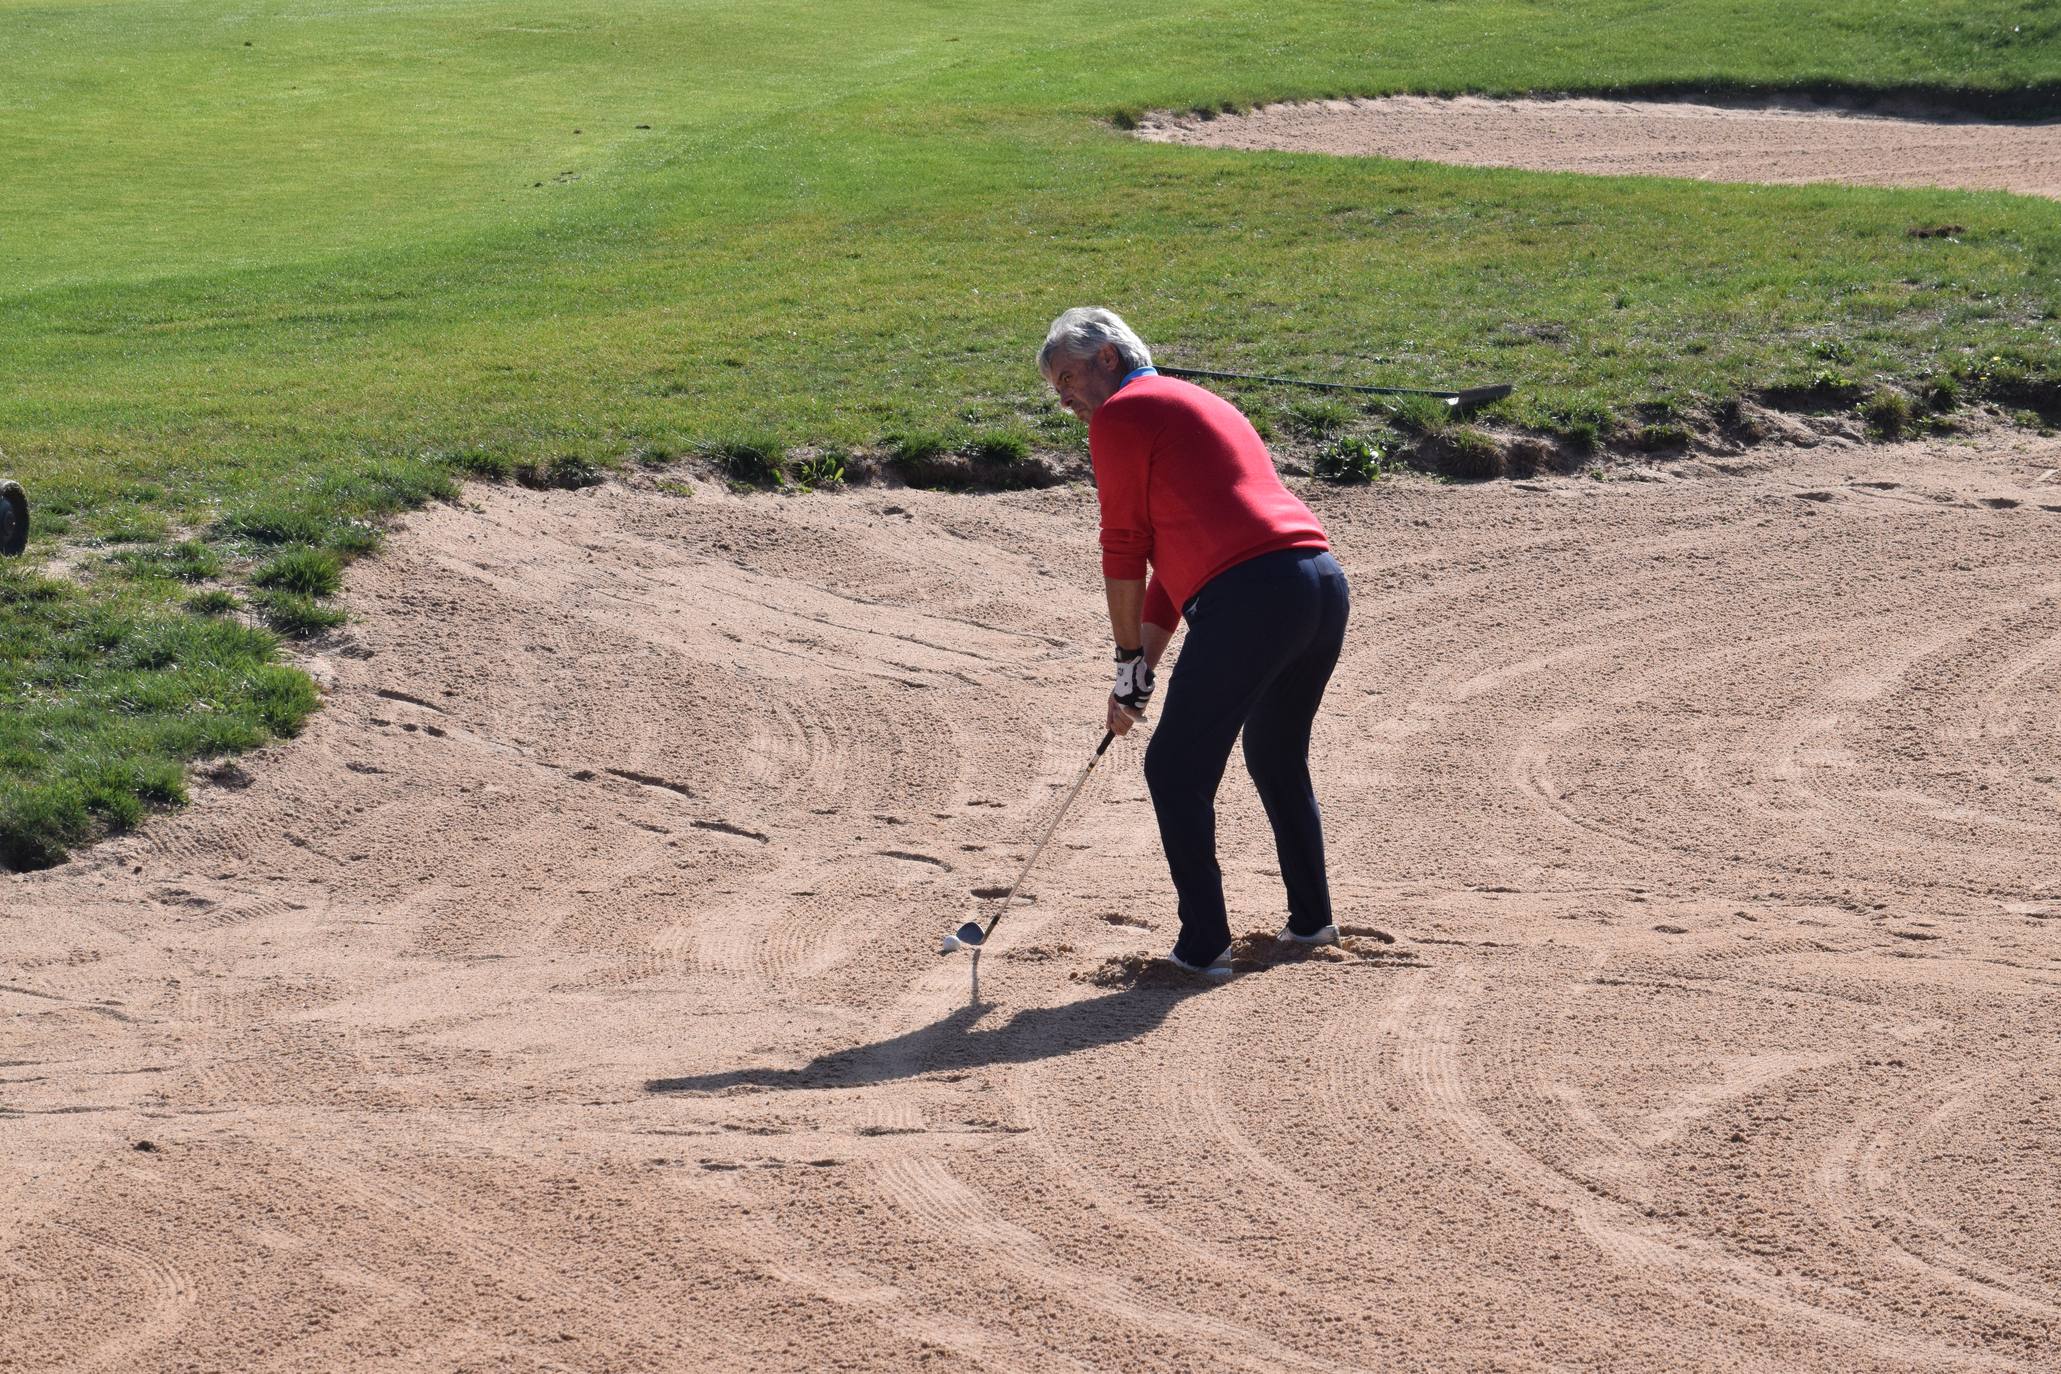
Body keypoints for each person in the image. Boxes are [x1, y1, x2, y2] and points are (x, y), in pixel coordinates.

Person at [1037, 307, 1351, 976]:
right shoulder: (1193, 400)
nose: (1062, 397)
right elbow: (1171, 564)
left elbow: (1124, 546)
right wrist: (1139, 670)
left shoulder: (1121, 415)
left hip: (1252, 595)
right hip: (1316, 586)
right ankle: (1310, 922)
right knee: (1274, 753)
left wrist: (1124, 658)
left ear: (1107, 361)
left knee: (1174, 769)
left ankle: (1202, 947)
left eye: (1066, 377)